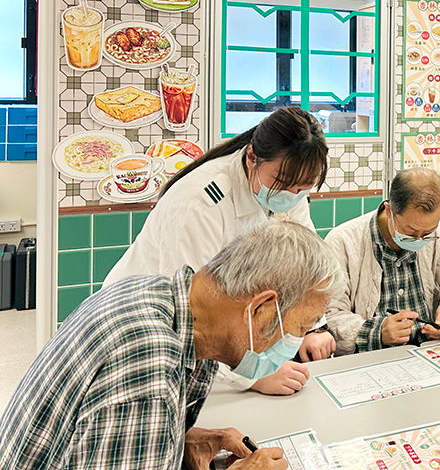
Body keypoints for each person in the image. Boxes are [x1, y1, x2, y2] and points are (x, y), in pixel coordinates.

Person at [0, 220, 343, 470]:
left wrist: (176, 440)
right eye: (301, 326)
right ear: (262, 309)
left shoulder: (159, 296)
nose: (297, 341)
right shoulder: (147, 369)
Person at [104, 107, 336, 396]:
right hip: (143, 327)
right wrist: (251, 376)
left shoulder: (287, 186)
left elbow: (307, 261)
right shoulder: (199, 204)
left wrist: (310, 328)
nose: (294, 194)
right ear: (252, 156)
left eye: (304, 187)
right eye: (285, 183)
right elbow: (194, 314)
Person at [325, 168, 440, 354]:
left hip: (430, 350)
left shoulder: (439, 236)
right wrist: (377, 332)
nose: (419, 239)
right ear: (390, 210)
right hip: (372, 357)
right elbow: (329, 313)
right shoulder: (343, 242)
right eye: (410, 231)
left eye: (427, 233)